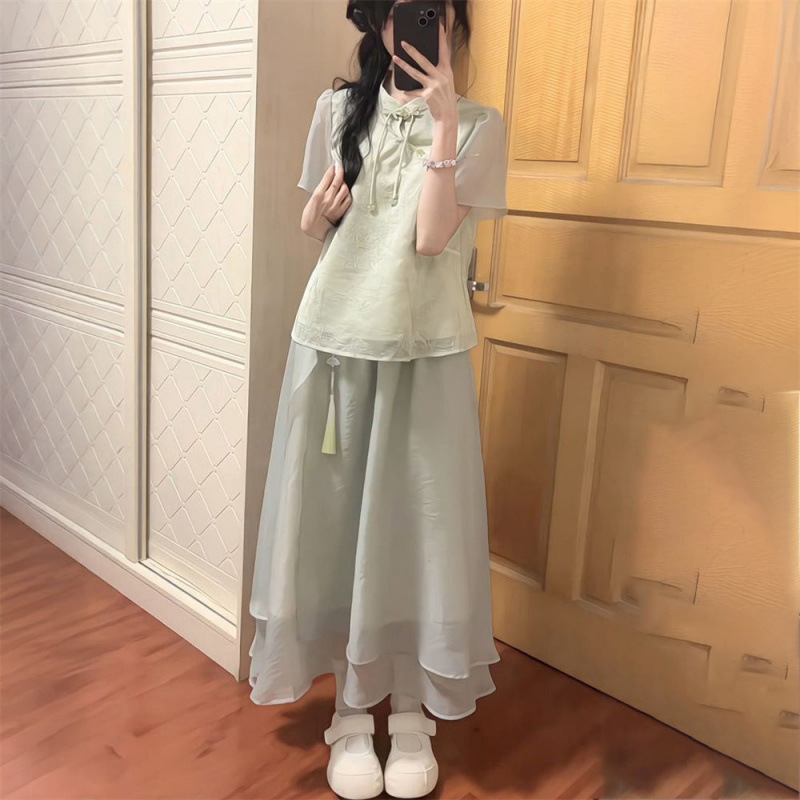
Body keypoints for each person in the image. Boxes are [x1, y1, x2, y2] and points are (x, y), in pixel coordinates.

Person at [248, 1, 508, 797]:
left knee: (417, 528)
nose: (420, 26)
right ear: (379, 23)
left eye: (436, 10)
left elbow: (430, 239)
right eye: (404, 11)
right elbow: (316, 222)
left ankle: (413, 710)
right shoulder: (336, 111)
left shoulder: (480, 126)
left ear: (454, 22)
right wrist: (317, 212)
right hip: (334, 346)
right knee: (334, 529)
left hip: (425, 352)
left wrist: (442, 125)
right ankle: (352, 711)